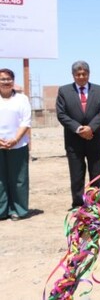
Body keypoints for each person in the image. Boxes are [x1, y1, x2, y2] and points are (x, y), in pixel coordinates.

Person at [56, 61, 100, 210]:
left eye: (84, 74)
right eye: (78, 74)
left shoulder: (99, 90)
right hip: (74, 140)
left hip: (94, 138)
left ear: (88, 74)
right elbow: (61, 114)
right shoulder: (64, 91)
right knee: (77, 173)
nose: (81, 76)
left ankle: (96, 201)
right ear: (73, 75)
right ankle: (78, 203)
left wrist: (90, 128)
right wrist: (79, 129)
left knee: (96, 172)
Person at [0, 68, 32, 221]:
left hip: (18, 145)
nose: (5, 82)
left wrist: (15, 139)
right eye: (2, 79)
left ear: (13, 81)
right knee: (1, 179)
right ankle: (2, 210)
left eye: (8, 79)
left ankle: (18, 210)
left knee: (19, 179)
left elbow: (26, 121)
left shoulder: (22, 99)